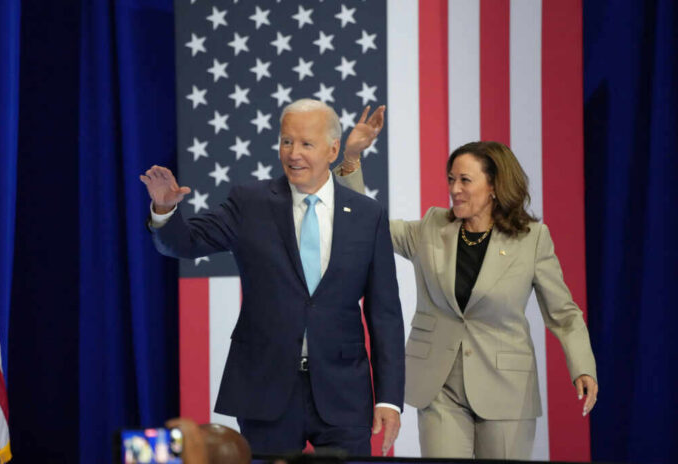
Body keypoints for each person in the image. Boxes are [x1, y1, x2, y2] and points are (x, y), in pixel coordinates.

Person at [140, 99, 405, 456]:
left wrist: (389, 399)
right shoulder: (249, 203)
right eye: (286, 141)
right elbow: (184, 243)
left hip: (344, 393)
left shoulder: (366, 214)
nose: (293, 153)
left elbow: (385, 314)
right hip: (266, 389)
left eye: (306, 144)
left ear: (332, 149)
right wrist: (165, 210)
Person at [335, 107, 598, 460]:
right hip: (438, 386)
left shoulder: (532, 239)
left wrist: (582, 367)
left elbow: (563, 314)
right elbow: (367, 225)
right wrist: (351, 159)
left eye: (465, 180)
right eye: (450, 179)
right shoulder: (431, 227)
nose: (454, 189)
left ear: (494, 186)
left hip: (506, 389)